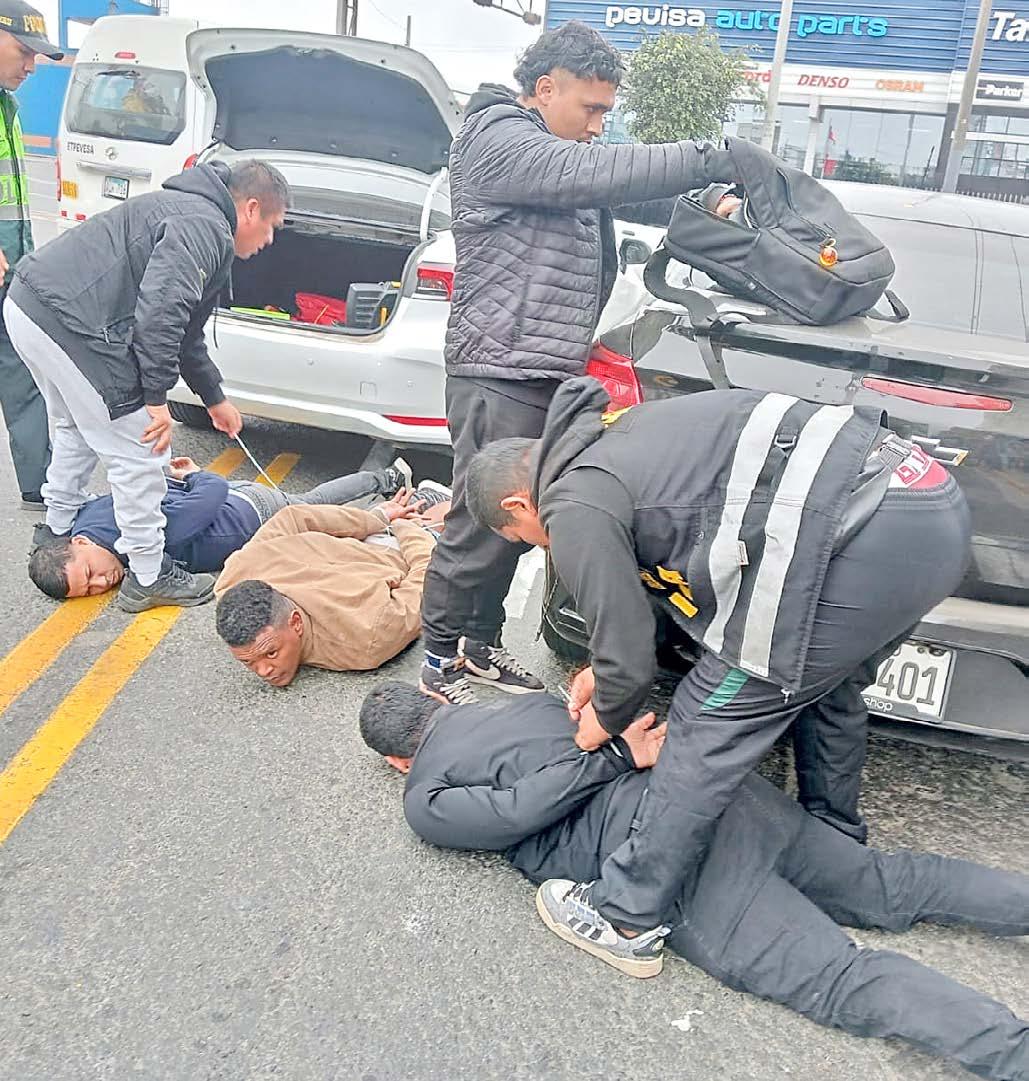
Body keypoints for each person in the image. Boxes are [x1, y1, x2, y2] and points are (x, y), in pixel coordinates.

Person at [464, 377, 972, 975]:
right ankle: (833, 843)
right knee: (823, 686)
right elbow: (648, 594)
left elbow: (630, 667)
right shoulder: (609, 437)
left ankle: (625, 915)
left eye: (526, 541)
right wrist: (604, 666)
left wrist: (596, 727)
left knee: (709, 716)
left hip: (864, 529)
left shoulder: (570, 501)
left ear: (517, 506)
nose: (543, 547)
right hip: (923, 504)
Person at [360, 682, 1029, 1081]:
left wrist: (614, 759)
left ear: (397, 761)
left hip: (665, 855)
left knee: (839, 978)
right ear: (434, 699)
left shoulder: (424, 797)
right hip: (714, 796)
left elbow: (514, 813)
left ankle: (1013, 1054)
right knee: (889, 882)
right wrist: (620, 756)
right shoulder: (527, 701)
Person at [418, 20, 737, 705]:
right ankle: (438, 661)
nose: (597, 126)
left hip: (540, 367)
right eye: (590, 108)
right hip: (499, 368)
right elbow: (595, 173)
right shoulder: (497, 139)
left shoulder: (558, 153)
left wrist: (709, 199)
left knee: (519, 521)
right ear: (544, 88)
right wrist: (710, 158)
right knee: (480, 520)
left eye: (605, 113)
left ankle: (477, 645)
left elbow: (625, 187)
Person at [3, 157, 290, 612]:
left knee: (77, 427)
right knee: (139, 450)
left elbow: (186, 333)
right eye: (273, 226)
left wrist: (213, 397)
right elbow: (161, 314)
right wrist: (155, 400)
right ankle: (150, 576)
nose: (270, 240)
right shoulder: (204, 227)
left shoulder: (191, 212)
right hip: (74, 323)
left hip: (31, 306)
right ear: (251, 209)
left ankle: (56, 531)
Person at [26, 454, 414, 601]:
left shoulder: (143, 534)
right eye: (88, 590)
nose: (101, 583)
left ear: (79, 542)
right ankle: (385, 484)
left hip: (254, 513)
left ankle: (388, 479)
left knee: (315, 508)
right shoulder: (87, 521)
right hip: (235, 505)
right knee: (315, 508)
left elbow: (211, 493)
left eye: (90, 574)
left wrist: (198, 476)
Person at [215, 484, 451, 686]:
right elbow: (426, 579)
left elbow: (427, 577)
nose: (263, 671)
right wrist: (397, 524)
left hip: (396, 546)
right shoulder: (231, 582)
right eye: (247, 662)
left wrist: (385, 519)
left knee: (452, 512)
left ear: (295, 623)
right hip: (387, 545)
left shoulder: (366, 635)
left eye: (271, 653)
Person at [0, 1, 63, 511]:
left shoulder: (8, 106)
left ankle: (41, 484)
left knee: (22, 365)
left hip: (13, 261)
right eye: (24, 51)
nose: (32, 66)